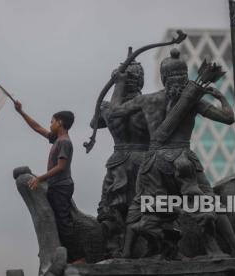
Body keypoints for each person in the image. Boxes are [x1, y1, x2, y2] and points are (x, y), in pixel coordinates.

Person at [110, 48, 235, 258]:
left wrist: (119, 83)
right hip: (183, 158)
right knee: (209, 201)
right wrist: (222, 98)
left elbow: (115, 111)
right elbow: (228, 118)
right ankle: (228, 249)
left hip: (154, 163)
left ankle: (127, 254)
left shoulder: (148, 100)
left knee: (144, 206)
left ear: (163, 78)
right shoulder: (193, 100)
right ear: (185, 75)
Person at [91, 53, 150, 257]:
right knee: (146, 207)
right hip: (143, 161)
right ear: (140, 81)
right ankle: (139, 250)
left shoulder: (106, 107)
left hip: (118, 162)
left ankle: (115, 249)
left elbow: (94, 124)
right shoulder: (148, 104)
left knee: (112, 208)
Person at [14, 101, 78, 261]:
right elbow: (37, 128)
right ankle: (64, 256)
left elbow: (61, 166)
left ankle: (78, 258)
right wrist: (21, 112)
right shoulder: (57, 139)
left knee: (63, 222)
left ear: (60, 123)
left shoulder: (64, 142)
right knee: (56, 221)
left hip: (62, 186)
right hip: (55, 185)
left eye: (52, 121)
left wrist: (39, 178)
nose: (50, 124)